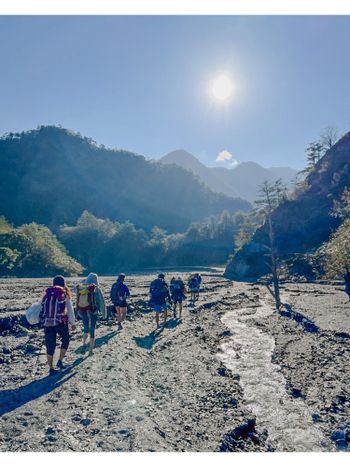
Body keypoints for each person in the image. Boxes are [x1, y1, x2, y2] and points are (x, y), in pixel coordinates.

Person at [40, 275, 75, 376]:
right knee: (65, 340)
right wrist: (72, 322)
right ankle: (60, 361)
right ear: (63, 283)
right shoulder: (64, 293)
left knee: (50, 345)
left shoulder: (47, 294)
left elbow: (41, 306)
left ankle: (51, 368)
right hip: (61, 322)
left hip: (48, 323)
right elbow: (70, 309)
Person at [76, 272, 106, 356]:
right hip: (93, 312)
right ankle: (90, 351)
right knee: (92, 330)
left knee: (85, 329)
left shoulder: (81, 288)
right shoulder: (96, 289)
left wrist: (78, 313)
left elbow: (77, 298)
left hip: (83, 311)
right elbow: (101, 302)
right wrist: (104, 314)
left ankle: (83, 345)